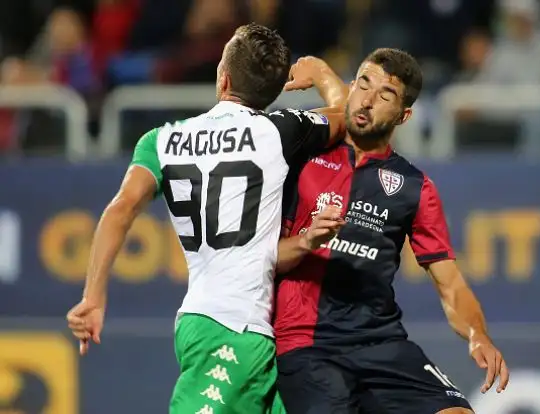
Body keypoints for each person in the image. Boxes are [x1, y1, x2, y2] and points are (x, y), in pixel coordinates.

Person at [65, 23, 347, 414]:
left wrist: (93, 296)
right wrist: (320, 73)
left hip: (211, 323)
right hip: (235, 327)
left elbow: (120, 209)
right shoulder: (280, 132)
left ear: (223, 77)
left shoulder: (162, 141)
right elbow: (348, 115)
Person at [274, 50, 510, 414]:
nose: (368, 100)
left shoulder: (415, 186)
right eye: (363, 84)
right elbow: (262, 256)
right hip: (307, 343)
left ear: (404, 116)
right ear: (350, 87)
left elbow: (450, 283)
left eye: (385, 95)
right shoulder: (303, 155)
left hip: (380, 341)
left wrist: (477, 334)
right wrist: (307, 242)